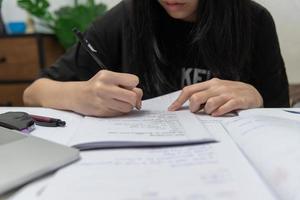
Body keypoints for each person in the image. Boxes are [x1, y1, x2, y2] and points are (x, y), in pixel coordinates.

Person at [23, 0, 289, 117]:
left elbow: (281, 110)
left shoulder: (253, 20)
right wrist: (81, 95)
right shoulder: (128, 16)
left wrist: (256, 96)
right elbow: (33, 93)